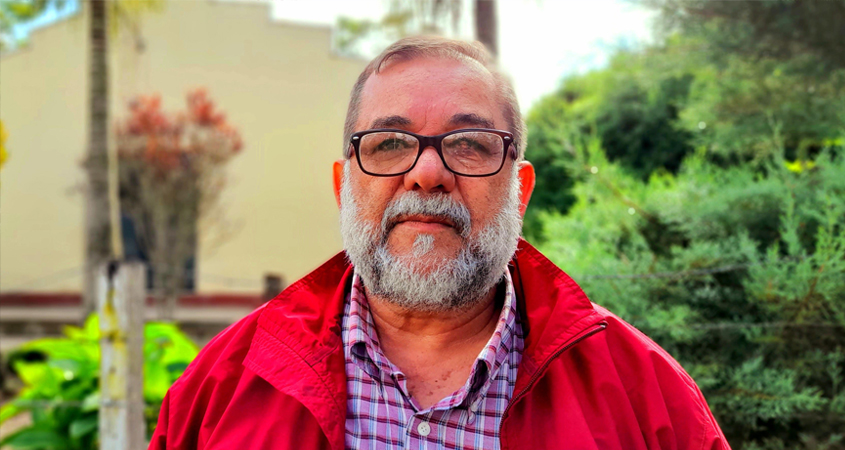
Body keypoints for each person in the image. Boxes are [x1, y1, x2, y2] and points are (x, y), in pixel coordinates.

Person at [149, 36, 730, 450]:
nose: (426, 173)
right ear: (342, 186)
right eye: (389, 143)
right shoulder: (219, 392)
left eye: (471, 144)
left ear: (520, 191)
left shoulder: (648, 398)